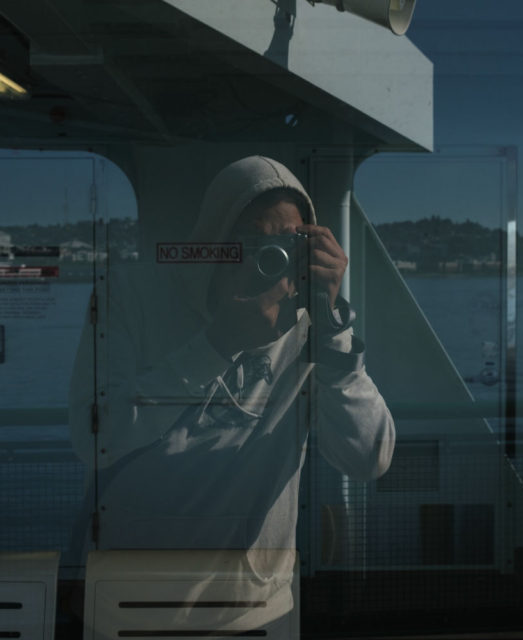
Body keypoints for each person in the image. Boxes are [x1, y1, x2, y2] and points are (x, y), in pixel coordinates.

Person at [68, 156, 394, 625]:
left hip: (255, 605)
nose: (268, 257)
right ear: (212, 242)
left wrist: (333, 331)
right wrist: (217, 344)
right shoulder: (129, 297)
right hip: (132, 597)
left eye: (286, 243)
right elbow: (93, 436)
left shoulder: (308, 323)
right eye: (250, 241)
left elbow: (369, 458)